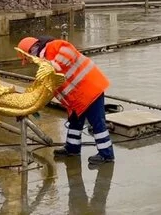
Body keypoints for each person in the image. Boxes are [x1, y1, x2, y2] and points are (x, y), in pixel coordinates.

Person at [17, 36, 115, 164]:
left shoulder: (54, 46)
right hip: (77, 97)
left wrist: (51, 65)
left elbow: (68, 55)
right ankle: (72, 148)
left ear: (31, 51)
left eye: (27, 58)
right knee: (74, 121)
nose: (29, 62)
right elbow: (46, 87)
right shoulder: (44, 61)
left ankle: (106, 154)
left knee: (97, 122)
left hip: (91, 90)